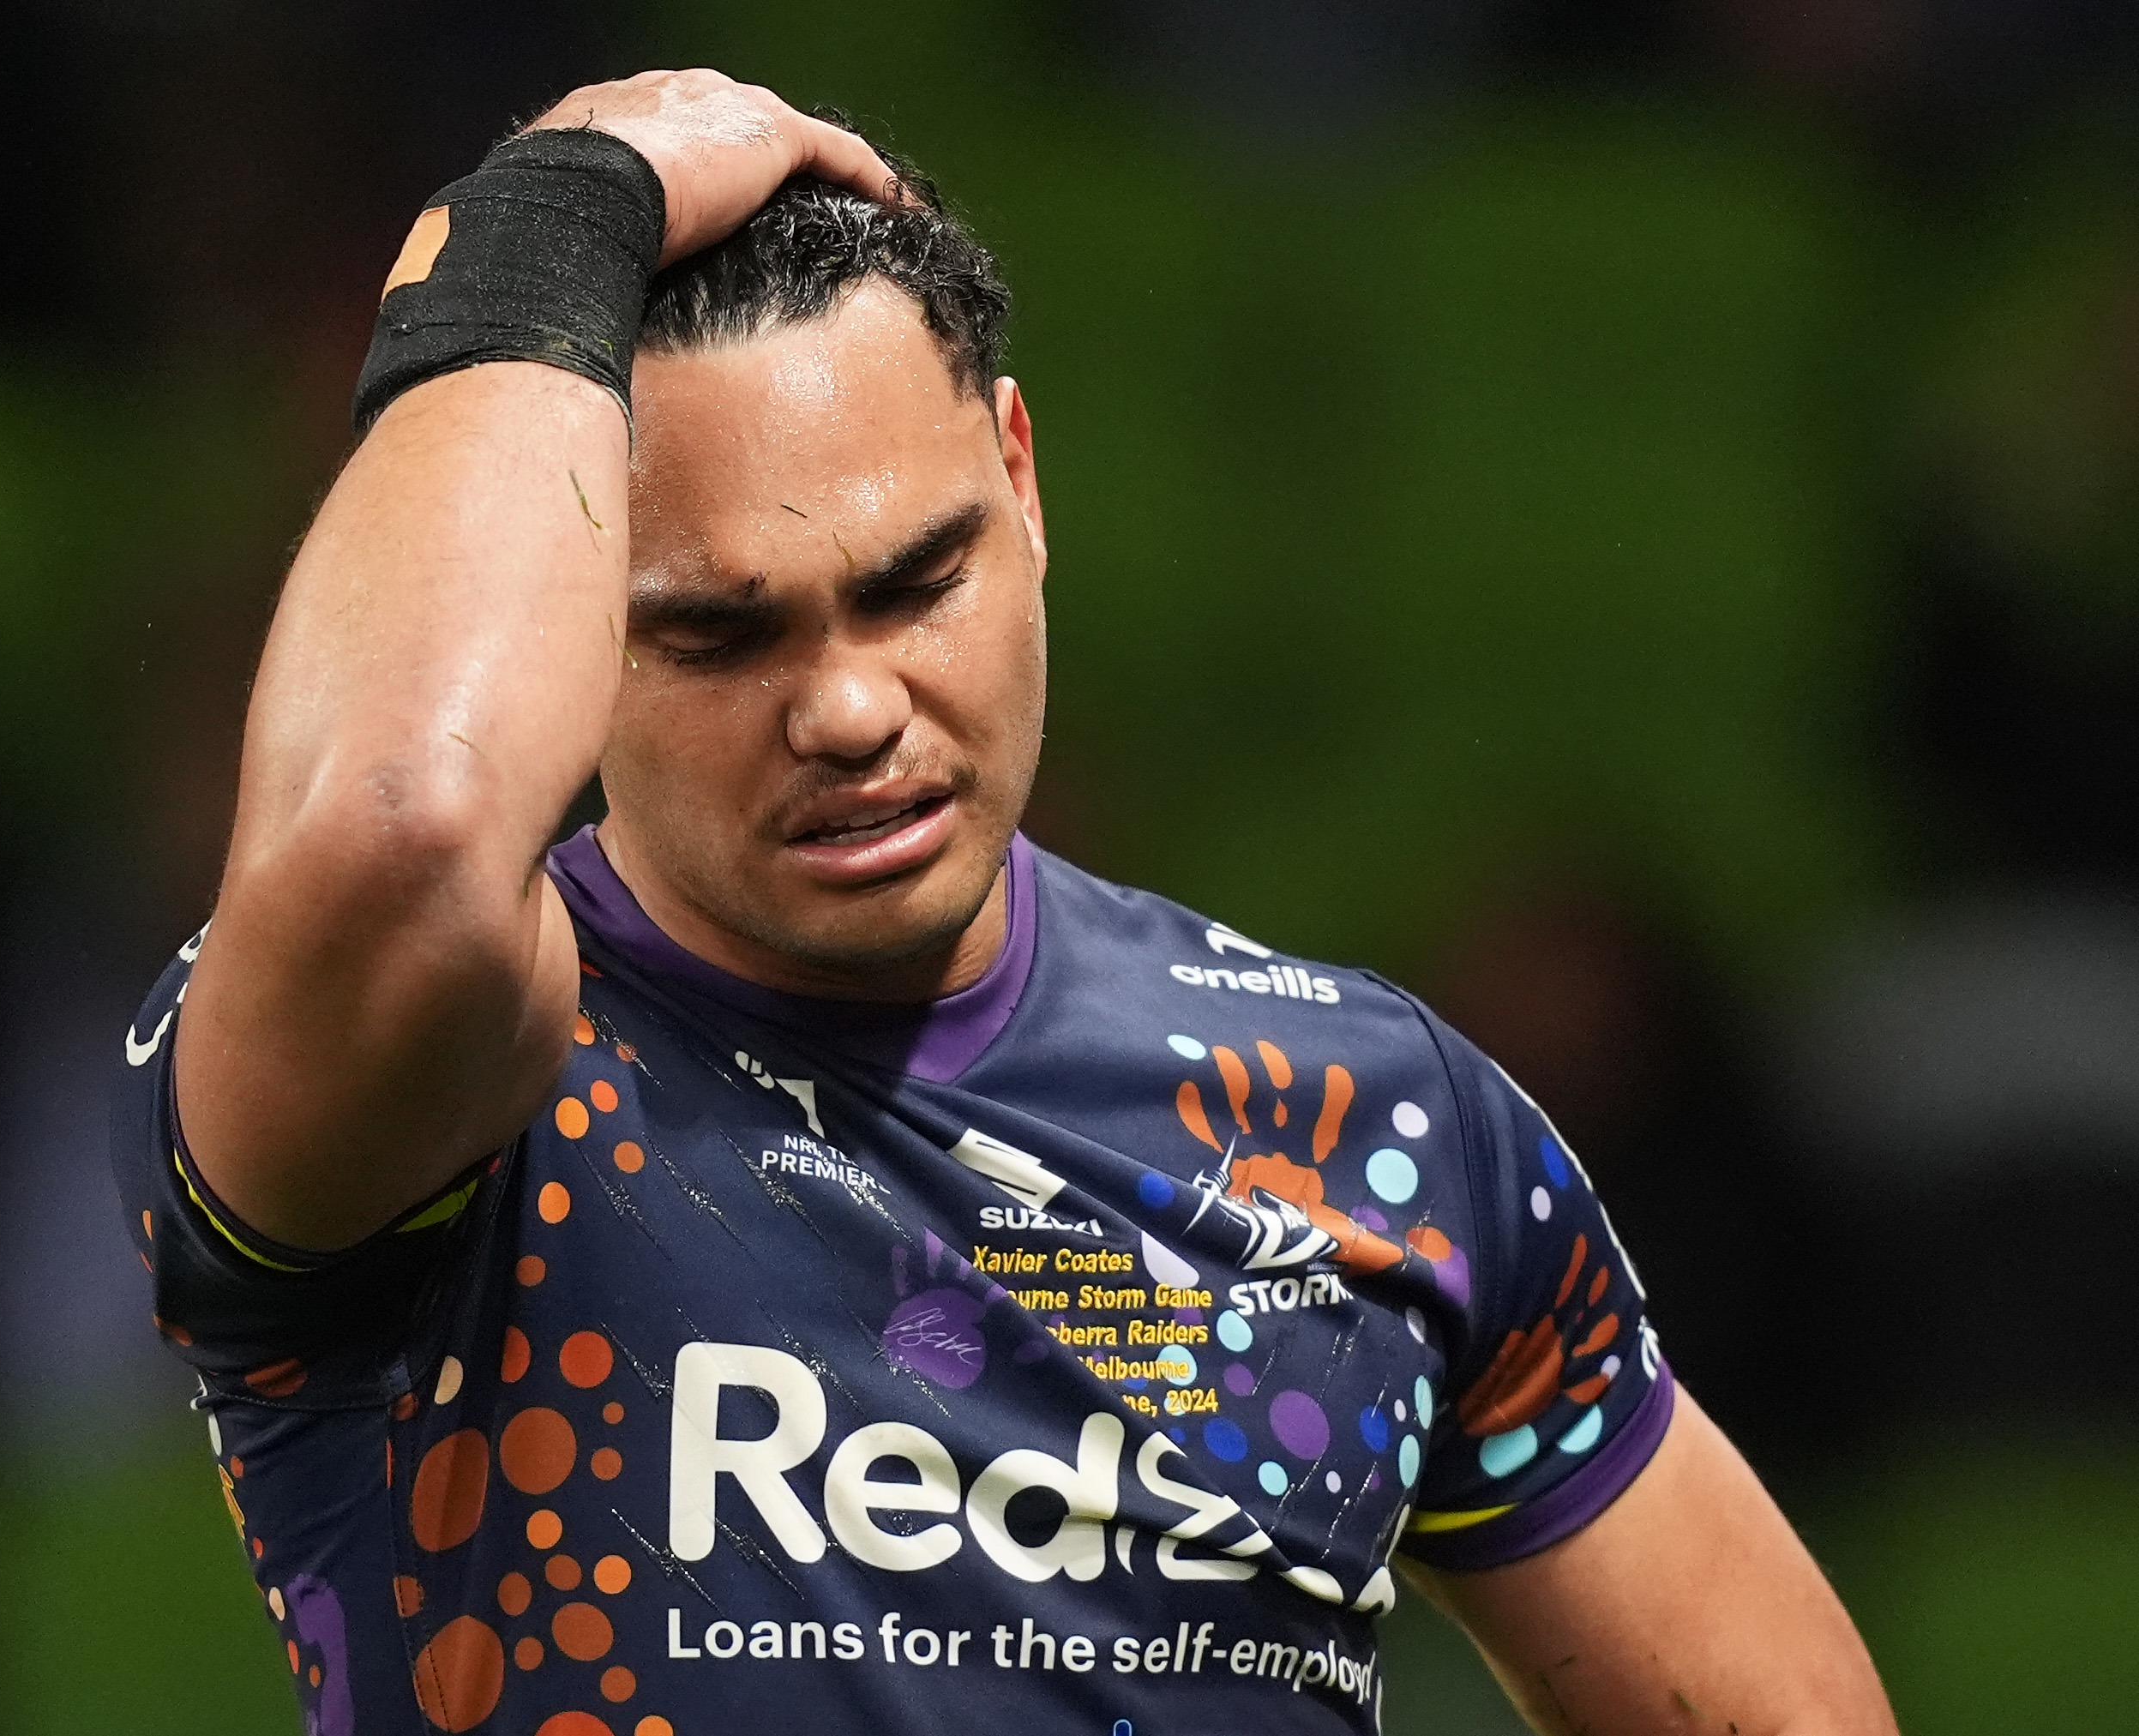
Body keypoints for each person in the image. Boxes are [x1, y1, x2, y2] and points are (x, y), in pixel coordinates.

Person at [113, 70, 1895, 1736]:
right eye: (717, 629)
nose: (851, 707)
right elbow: (400, 826)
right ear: (576, 634)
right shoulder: (440, 1081)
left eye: (915, 581)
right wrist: (545, 227)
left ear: (1023, 484)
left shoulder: (1382, 1118)